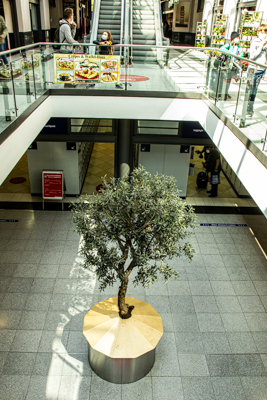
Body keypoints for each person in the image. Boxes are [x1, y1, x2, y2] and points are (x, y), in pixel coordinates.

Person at [246, 24, 267, 117]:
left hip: (261, 69)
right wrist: (261, 45)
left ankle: (250, 108)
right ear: (258, 32)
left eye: (265, 32)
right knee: (250, 90)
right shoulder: (255, 42)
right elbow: (252, 56)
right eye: (262, 32)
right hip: (253, 68)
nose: (264, 34)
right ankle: (248, 109)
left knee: (254, 90)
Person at [217, 31, 243, 100]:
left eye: (238, 38)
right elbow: (222, 48)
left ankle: (226, 92)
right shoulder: (229, 45)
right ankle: (221, 92)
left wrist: (238, 56)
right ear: (233, 38)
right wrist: (231, 53)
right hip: (227, 65)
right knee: (224, 79)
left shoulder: (238, 47)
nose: (238, 39)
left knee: (229, 80)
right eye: (236, 37)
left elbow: (241, 54)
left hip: (233, 66)